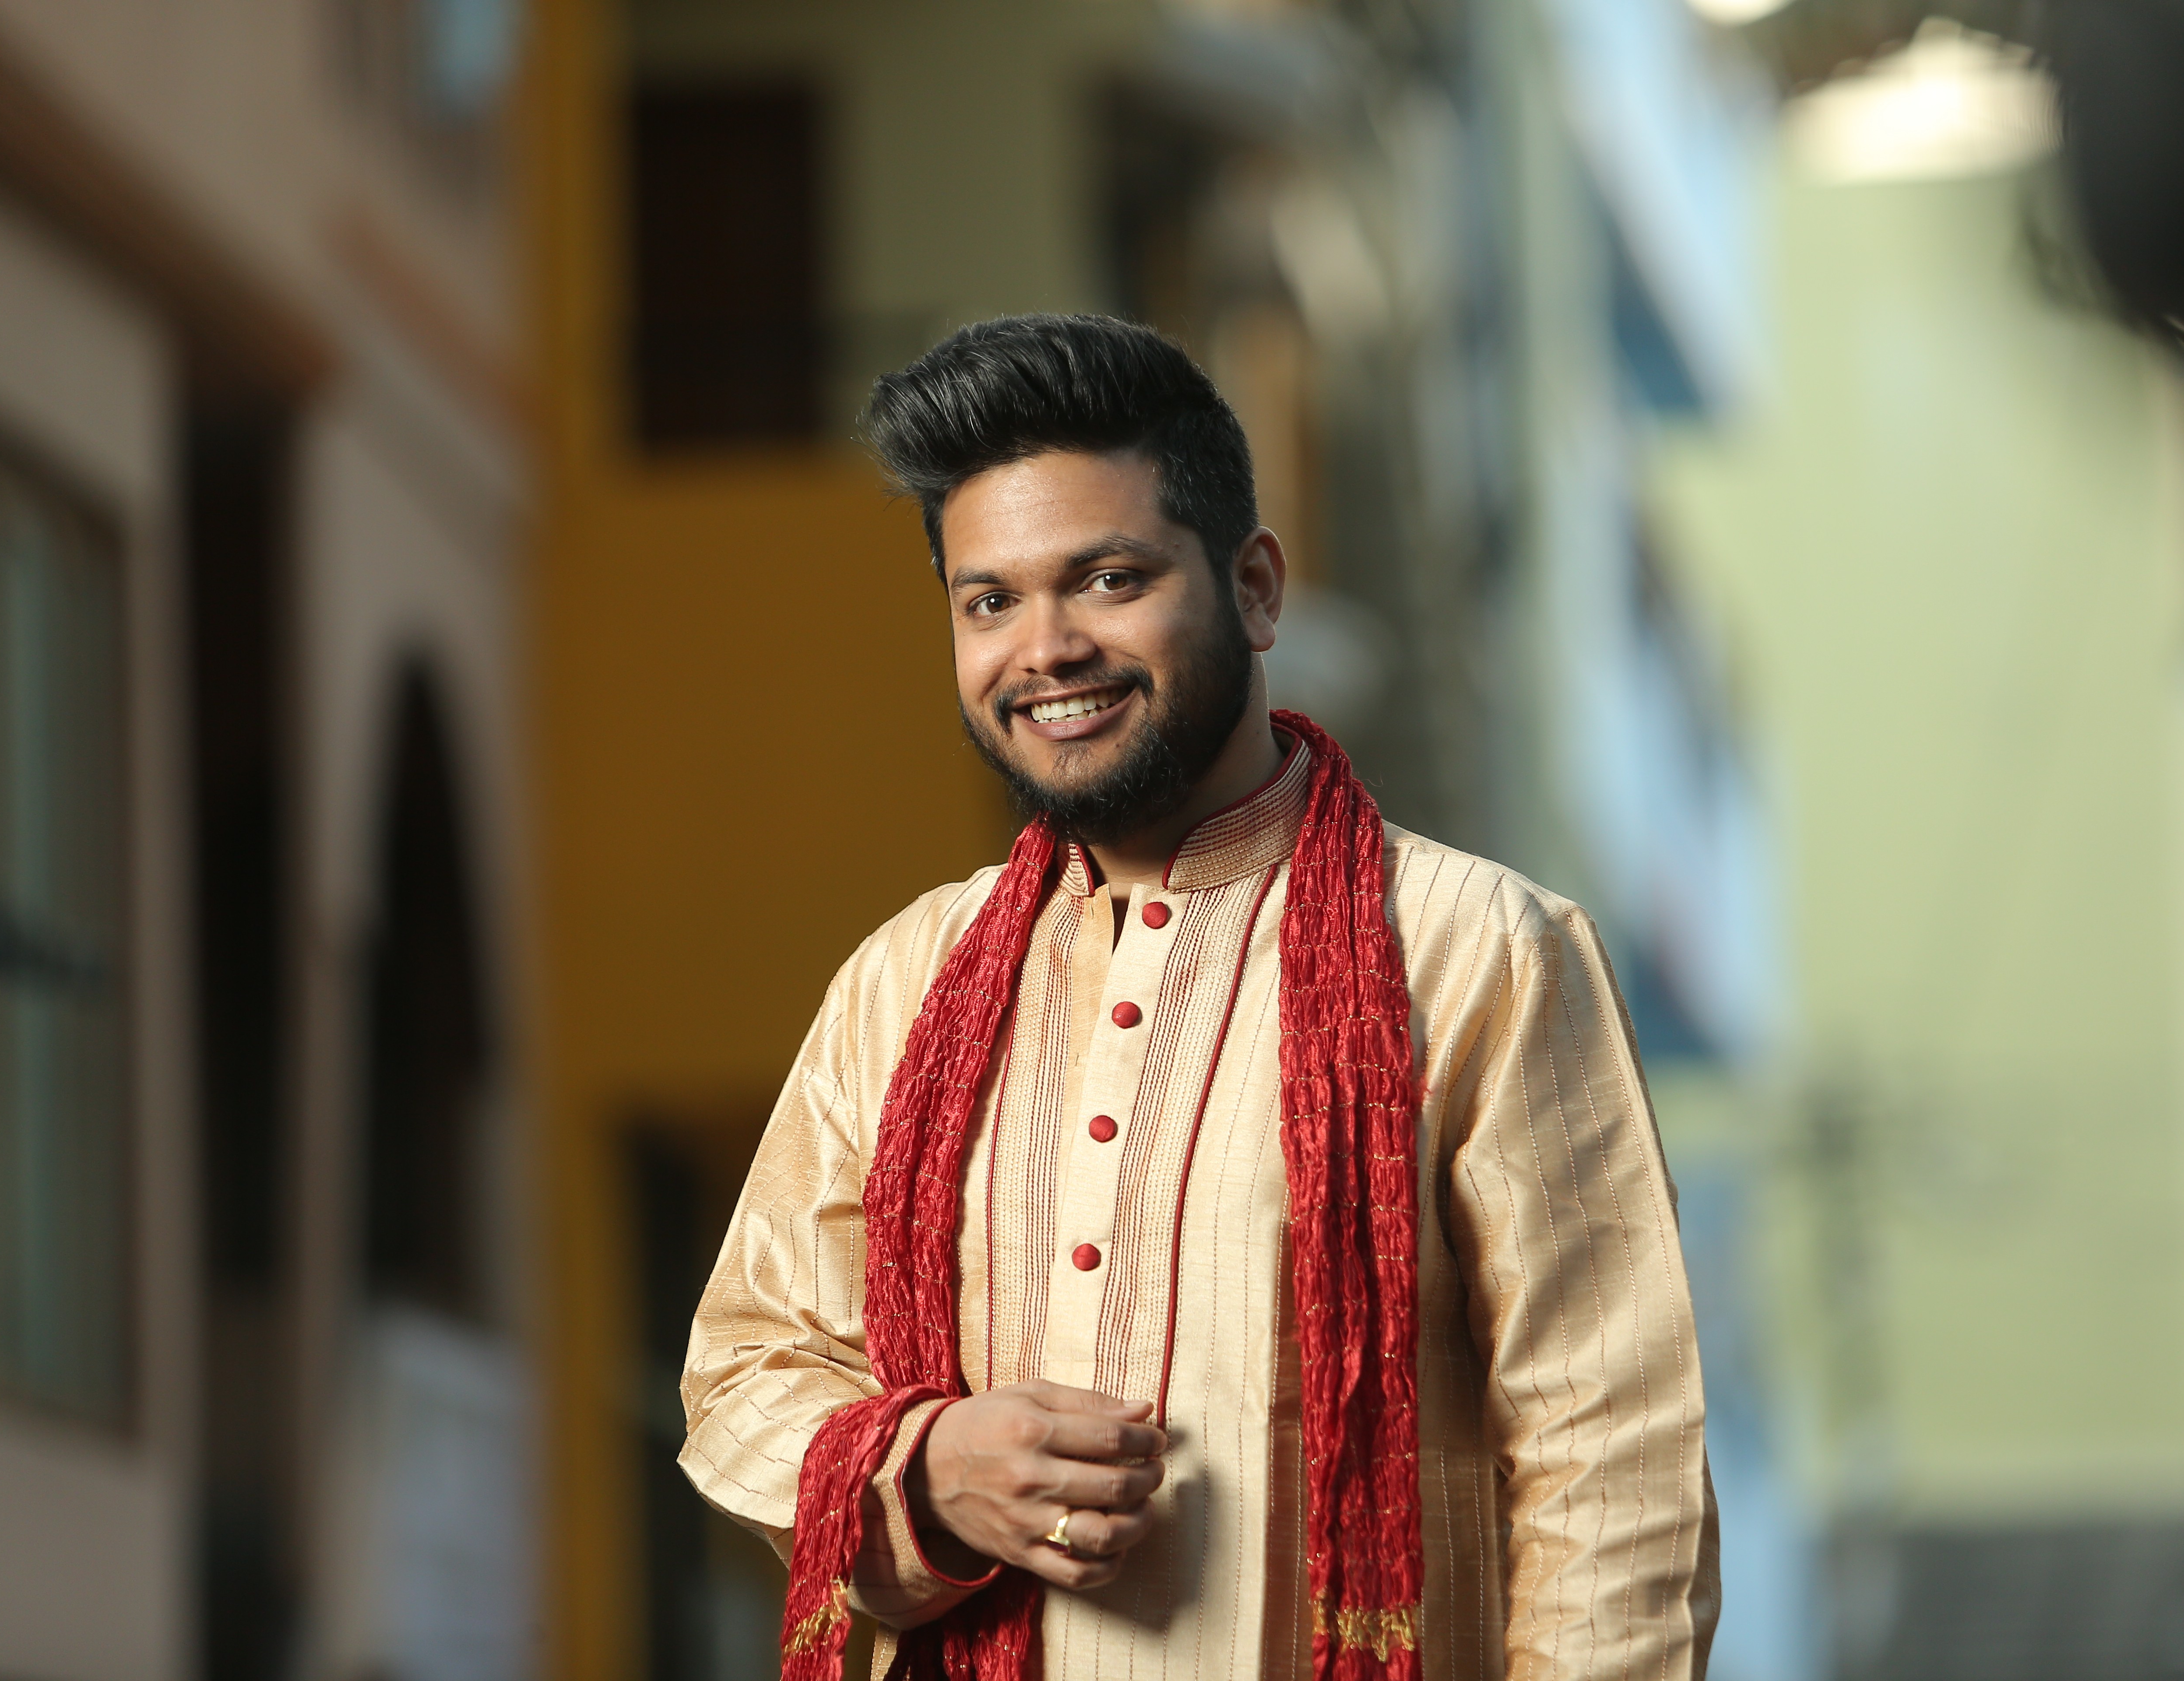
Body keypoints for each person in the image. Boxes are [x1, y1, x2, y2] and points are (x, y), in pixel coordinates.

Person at [679, 314, 1719, 1681]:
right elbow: (747, 1367)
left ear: (1257, 589)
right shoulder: (903, 982)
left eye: (1107, 580)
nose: (1046, 648)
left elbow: (1614, 1469)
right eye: (989, 603)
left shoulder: (1480, 952)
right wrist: (927, 1471)